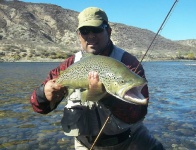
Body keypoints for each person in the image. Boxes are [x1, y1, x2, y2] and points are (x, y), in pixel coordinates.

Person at [30, 7, 165, 150]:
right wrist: (43, 94)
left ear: (108, 31)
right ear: (79, 35)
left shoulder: (129, 63)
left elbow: (138, 114)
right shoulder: (69, 64)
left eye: (97, 29)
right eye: (85, 31)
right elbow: (38, 107)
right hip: (86, 144)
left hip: (129, 140)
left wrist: (106, 97)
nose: (91, 35)